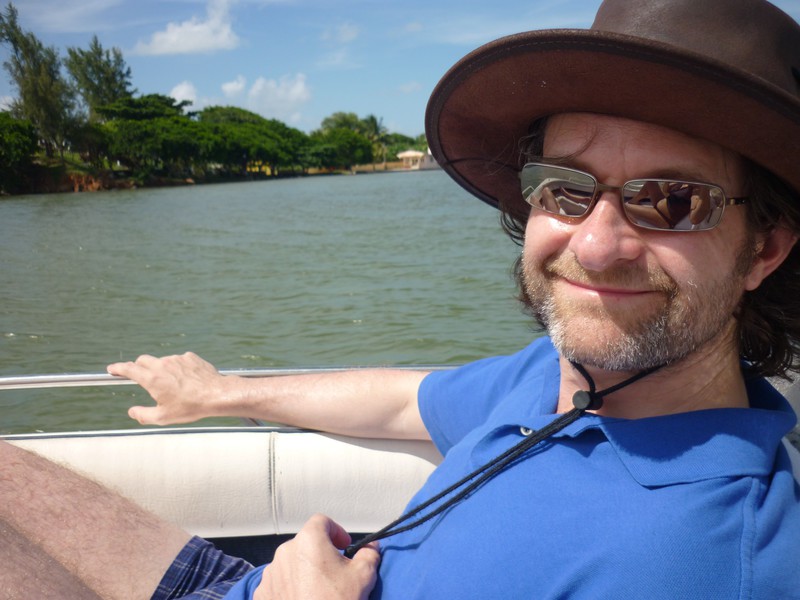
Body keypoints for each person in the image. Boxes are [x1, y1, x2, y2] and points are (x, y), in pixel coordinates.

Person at [2, 0, 800, 597]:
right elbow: (403, 402)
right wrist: (222, 392)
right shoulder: (560, 376)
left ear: (764, 247)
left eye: (669, 202)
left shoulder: (715, 557)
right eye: (564, 189)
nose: (594, 244)